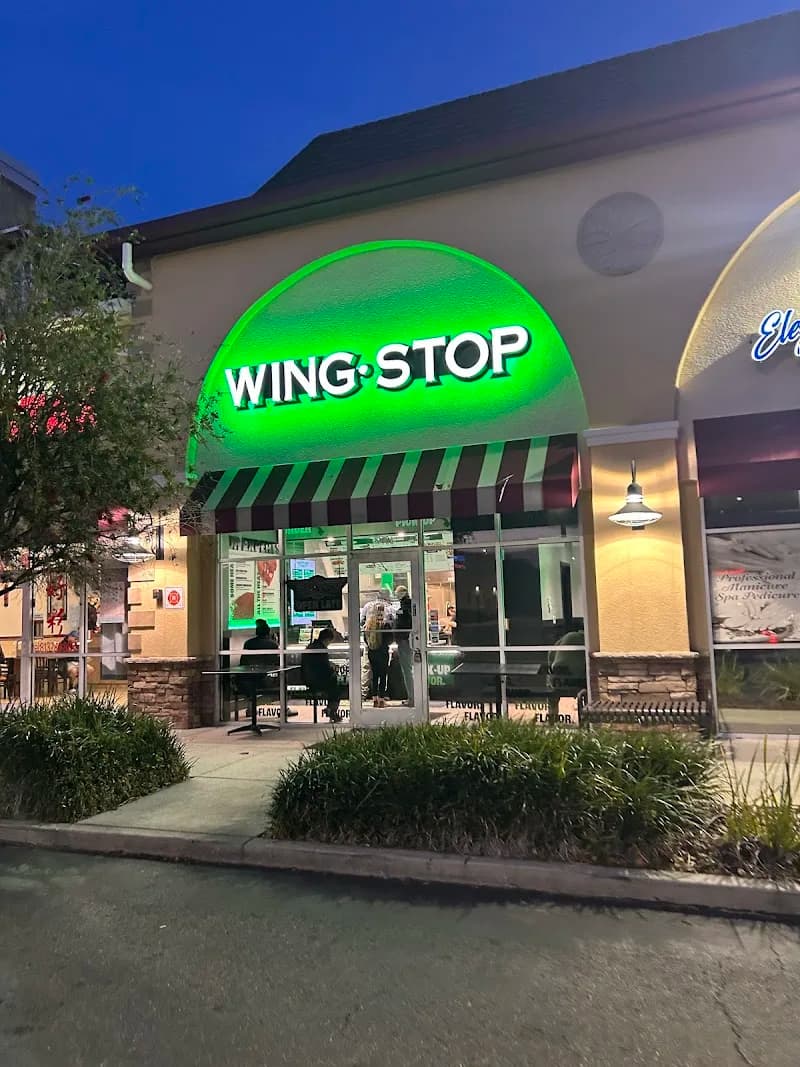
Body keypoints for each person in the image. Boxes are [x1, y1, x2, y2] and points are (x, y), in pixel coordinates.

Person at [239, 619, 286, 712]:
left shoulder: (248, 643)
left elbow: (243, 661)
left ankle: (250, 708)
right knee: (284, 677)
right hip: (263, 680)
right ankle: (284, 708)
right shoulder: (273, 644)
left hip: (246, 680)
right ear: (268, 632)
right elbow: (277, 663)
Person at [301, 627, 343, 723]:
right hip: (316, 680)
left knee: (334, 685)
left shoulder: (310, 646)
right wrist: (333, 669)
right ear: (327, 639)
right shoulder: (321, 649)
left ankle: (330, 709)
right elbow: (324, 669)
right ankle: (332, 710)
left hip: (307, 679)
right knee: (336, 687)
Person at [546, 629, 586, 723]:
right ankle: (585, 722)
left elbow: (550, 654)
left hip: (559, 677)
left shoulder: (563, 639)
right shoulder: (586, 639)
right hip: (578, 678)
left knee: (551, 688)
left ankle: (552, 718)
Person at [364, 602, 391, 707]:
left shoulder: (368, 624)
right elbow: (389, 639)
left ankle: (374, 699)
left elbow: (365, 639)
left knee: (374, 676)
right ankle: (381, 700)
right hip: (383, 652)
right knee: (383, 676)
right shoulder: (385, 624)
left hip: (372, 652)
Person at [393, 585, 414, 705]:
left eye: (398, 592)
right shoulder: (406, 605)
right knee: (409, 670)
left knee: (407, 670)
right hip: (405, 640)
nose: (397, 595)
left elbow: (403, 622)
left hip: (405, 640)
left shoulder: (406, 605)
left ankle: (412, 698)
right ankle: (412, 697)